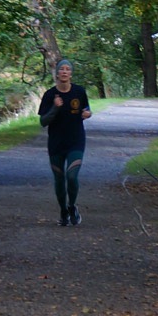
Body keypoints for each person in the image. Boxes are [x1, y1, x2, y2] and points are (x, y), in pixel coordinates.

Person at [37, 60, 92, 225]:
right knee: (59, 179)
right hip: (56, 143)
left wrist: (88, 113)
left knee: (72, 176)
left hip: (75, 141)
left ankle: (72, 206)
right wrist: (55, 108)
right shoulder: (49, 95)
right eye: (62, 69)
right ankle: (63, 210)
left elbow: (86, 109)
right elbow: (43, 122)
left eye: (68, 69)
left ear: (71, 74)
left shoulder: (79, 91)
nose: (65, 72)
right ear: (57, 73)